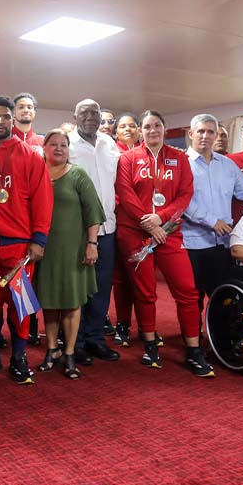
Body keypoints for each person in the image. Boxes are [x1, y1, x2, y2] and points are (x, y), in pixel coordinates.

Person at [115, 110, 213, 377]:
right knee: (145, 291)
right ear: (140, 131)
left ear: (165, 129)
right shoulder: (128, 158)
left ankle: (193, 349)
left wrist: (161, 218)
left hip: (169, 232)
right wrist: (149, 223)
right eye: (147, 127)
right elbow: (124, 193)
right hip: (135, 233)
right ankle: (149, 344)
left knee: (187, 291)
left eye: (157, 125)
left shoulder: (179, 158)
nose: (152, 130)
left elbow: (185, 194)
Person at [0, 96, 53, 384]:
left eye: (6, 116)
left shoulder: (31, 155)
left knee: (20, 304)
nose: (1, 121)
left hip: (19, 245)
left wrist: (39, 239)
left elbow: (43, 200)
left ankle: (19, 357)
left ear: (13, 119)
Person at [35, 129, 104, 379]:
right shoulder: (37, 173)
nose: (59, 149)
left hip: (74, 250)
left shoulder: (78, 175)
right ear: (44, 148)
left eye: (63, 145)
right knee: (50, 300)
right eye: (53, 144)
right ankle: (52, 349)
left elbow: (93, 212)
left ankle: (70, 352)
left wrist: (92, 243)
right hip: (44, 249)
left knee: (71, 302)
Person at [183, 114, 243, 309]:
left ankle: (221, 330)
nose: (206, 136)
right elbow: (182, 201)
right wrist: (211, 221)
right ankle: (194, 330)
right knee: (192, 297)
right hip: (192, 243)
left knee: (225, 296)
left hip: (223, 243)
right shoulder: (181, 162)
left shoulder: (227, 164)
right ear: (191, 134)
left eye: (210, 132)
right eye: (201, 131)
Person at [67, 99, 121, 365]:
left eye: (95, 113)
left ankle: (95, 338)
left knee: (101, 287)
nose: (90, 117)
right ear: (75, 117)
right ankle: (74, 342)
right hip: (77, 230)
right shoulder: (67, 144)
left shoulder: (109, 144)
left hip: (107, 227)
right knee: (78, 288)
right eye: (84, 113)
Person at [109, 112, 141, 345]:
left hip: (147, 224)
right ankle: (122, 324)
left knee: (143, 281)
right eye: (123, 126)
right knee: (121, 279)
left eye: (132, 125)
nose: (128, 129)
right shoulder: (111, 153)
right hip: (121, 221)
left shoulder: (148, 153)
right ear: (116, 132)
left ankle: (147, 327)